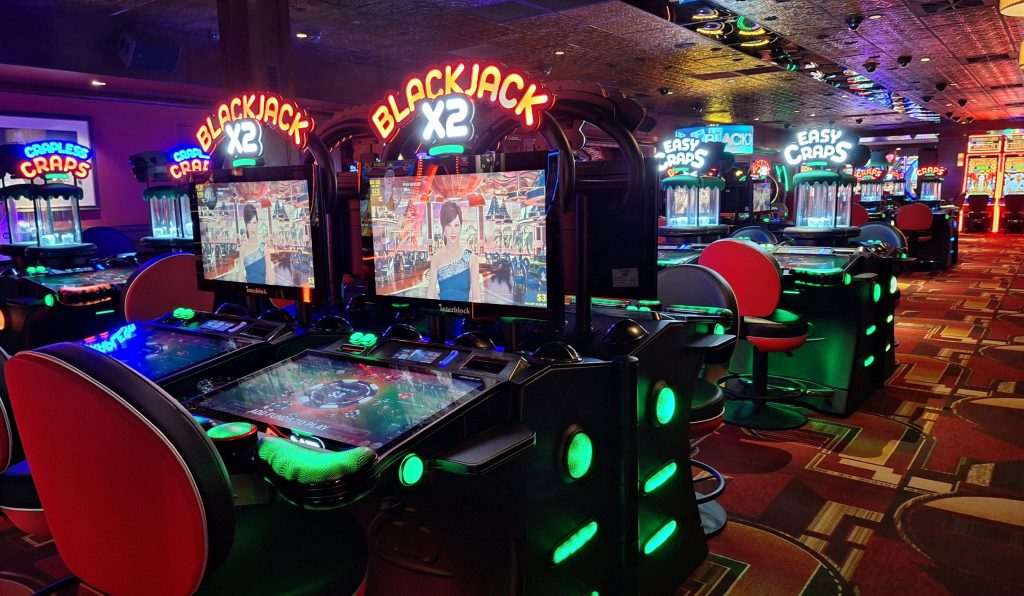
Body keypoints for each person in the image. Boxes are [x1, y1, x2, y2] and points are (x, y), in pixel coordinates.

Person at [428, 201, 480, 302]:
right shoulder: (436, 258)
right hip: (442, 314)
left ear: (461, 226)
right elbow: (430, 297)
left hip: (465, 314)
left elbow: (477, 299)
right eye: (448, 225)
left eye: (456, 225)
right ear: (443, 227)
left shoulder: (470, 257)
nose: (452, 231)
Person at [238, 203, 271, 284]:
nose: (252, 227)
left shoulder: (264, 247)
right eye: (249, 223)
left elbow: (270, 278)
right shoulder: (243, 249)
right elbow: (240, 278)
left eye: (254, 222)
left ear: (257, 223)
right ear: (245, 224)